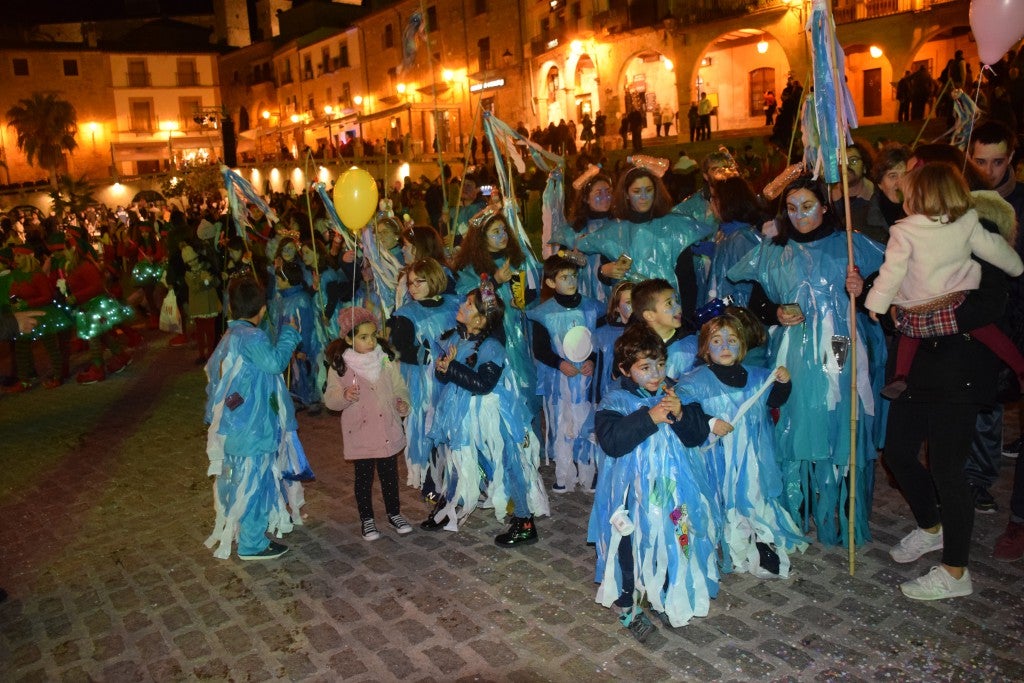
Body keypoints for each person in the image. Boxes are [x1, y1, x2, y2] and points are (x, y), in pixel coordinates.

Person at [727, 176, 887, 546]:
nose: (799, 215)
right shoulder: (772, 250)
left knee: (841, 413)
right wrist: (775, 312)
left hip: (839, 342)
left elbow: (887, 289)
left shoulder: (848, 246)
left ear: (825, 207)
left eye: (808, 206)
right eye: (792, 208)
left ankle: (845, 511)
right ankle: (796, 508)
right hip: (793, 350)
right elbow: (756, 303)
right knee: (796, 421)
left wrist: (861, 291)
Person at [592, 324, 723, 633]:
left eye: (661, 365)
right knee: (631, 542)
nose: (656, 374)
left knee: (674, 534)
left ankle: (665, 589)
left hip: (671, 488)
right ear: (625, 368)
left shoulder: (676, 393)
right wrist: (650, 417)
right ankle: (629, 597)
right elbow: (612, 440)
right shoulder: (615, 401)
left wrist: (681, 414)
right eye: (645, 367)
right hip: (631, 493)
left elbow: (695, 436)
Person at [865, 162, 1024, 400]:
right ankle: (1020, 366)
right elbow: (993, 248)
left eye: (907, 196)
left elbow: (892, 271)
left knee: (909, 335)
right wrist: (1016, 266)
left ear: (919, 197)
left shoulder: (903, 231)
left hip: (917, 306)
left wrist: (876, 302)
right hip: (955, 301)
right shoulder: (966, 221)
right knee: (987, 332)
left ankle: (900, 376)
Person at [680, 314, 807, 577]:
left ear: (742, 346)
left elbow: (775, 401)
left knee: (755, 496)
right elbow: (683, 413)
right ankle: (726, 541)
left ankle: (762, 542)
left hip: (754, 457)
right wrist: (710, 421)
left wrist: (784, 382)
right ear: (705, 347)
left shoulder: (759, 376)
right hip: (718, 460)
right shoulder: (695, 381)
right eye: (717, 341)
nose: (725, 347)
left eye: (732, 340)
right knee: (724, 499)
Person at [427, 287, 549, 542]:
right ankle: (449, 506)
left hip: (492, 415)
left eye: (470, 304)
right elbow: (446, 375)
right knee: (459, 458)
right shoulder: (455, 339)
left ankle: (525, 521)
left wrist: (453, 368)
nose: (462, 305)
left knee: (509, 462)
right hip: (462, 411)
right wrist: (443, 369)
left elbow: (484, 384)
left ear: (481, 320)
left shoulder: (492, 347)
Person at [203, 277, 304, 560]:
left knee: (247, 479)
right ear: (261, 309)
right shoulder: (252, 337)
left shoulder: (232, 335)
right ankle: (252, 543)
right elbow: (274, 363)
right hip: (252, 426)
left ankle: (249, 533)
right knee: (255, 481)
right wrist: (289, 334)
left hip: (240, 424)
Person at [323, 307, 414, 541]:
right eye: (363, 337)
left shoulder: (385, 360)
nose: (371, 341)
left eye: (373, 335)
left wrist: (402, 403)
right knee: (363, 478)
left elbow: (399, 387)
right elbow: (330, 400)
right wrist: (344, 395)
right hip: (361, 432)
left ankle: (394, 513)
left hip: (386, 430)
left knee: (390, 475)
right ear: (349, 339)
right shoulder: (341, 366)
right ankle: (367, 519)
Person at [387, 258, 459, 513]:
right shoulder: (406, 313)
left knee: (448, 425)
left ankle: (453, 476)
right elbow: (402, 349)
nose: (414, 287)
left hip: (449, 375)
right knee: (426, 427)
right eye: (410, 283)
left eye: (420, 281)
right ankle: (431, 479)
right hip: (422, 381)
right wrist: (425, 351)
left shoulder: (454, 303)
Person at [527, 254, 603, 493]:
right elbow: (540, 349)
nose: (571, 281)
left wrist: (592, 360)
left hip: (586, 379)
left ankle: (588, 473)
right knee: (562, 423)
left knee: (585, 422)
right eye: (564, 277)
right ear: (551, 283)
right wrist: (559, 363)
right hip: (559, 380)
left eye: (574, 276)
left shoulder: (593, 307)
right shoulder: (543, 313)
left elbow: (599, 342)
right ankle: (564, 474)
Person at [862, 142, 911, 244]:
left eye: (905, 175)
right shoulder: (861, 219)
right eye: (893, 176)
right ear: (879, 183)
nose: (900, 182)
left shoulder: (923, 216)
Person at [181, 244, 222, 365]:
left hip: (210, 304)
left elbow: (216, 282)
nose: (193, 262)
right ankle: (201, 354)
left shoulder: (207, 267)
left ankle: (210, 353)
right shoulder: (188, 274)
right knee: (200, 332)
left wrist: (211, 279)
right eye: (189, 261)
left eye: (193, 259)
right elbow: (195, 288)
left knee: (210, 332)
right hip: (198, 306)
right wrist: (205, 281)